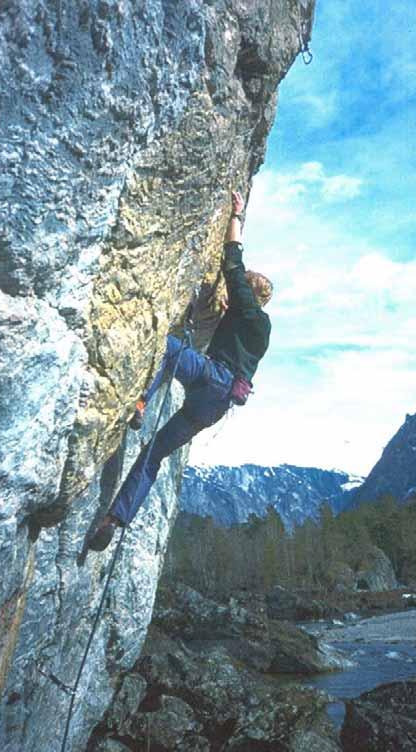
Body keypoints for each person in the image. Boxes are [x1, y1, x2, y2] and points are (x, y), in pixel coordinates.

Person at [88, 190, 273, 551]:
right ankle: (113, 519)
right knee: (154, 453)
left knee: (166, 348)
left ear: (252, 294)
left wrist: (236, 216)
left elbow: (232, 262)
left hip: (211, 376)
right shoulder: (260, 330)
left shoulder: (248, 308)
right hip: (216, 405)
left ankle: (140, 403)